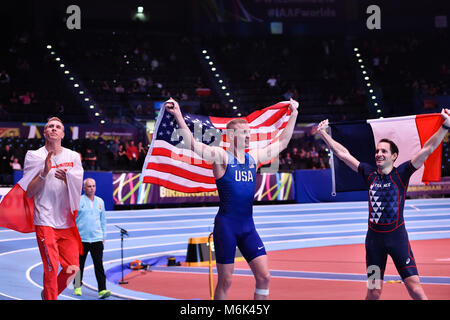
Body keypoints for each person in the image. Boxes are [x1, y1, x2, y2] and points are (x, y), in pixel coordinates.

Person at [165, 97, 299, 300]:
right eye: (244, 133)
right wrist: (178, 115)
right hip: (226, 227)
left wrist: (294, 113)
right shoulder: (221, 157)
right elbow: (192, 144)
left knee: (264, 277)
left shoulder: (253, 158)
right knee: (226, 281)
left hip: (248, 227)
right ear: (231, 135)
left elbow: (282, 143)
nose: (248, 137)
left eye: (249, 133)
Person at [315, 108, 450, 300]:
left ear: (394, 156)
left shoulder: (402, 173)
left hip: (398, 240)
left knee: (414, 287)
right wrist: (324, 134)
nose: (378, 153)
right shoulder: (368, 173)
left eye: (383, 151)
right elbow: (343, 154)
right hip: (373, 244)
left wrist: (445, 126)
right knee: (374, 291)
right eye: (377, 151)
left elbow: (427, 149)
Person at [24, 117, 84, 300]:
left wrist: (69, 180)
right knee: (51, 266)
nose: (54, 129)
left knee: (73, 269)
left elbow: (78, 187)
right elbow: (29, 192)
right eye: (50, 126)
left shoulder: (73, 157)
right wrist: (43, 174)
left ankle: (48, 295)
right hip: (44, 220)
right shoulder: (33, 156)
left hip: (66, 221)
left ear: (63, 134)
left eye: (58, 127)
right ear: (45, 132)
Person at [73, 178, 111, 299]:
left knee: (99, 265)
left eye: (93, 186)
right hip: (81, 239)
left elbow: (103, 220)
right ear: (84, 188)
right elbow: (72, 220)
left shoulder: (100, 201)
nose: (92, 188)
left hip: (96, 239)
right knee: (79, 264)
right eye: (89, 186)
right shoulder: (78, 201)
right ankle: (77, 286)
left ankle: (102, 290)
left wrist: (103, 236)